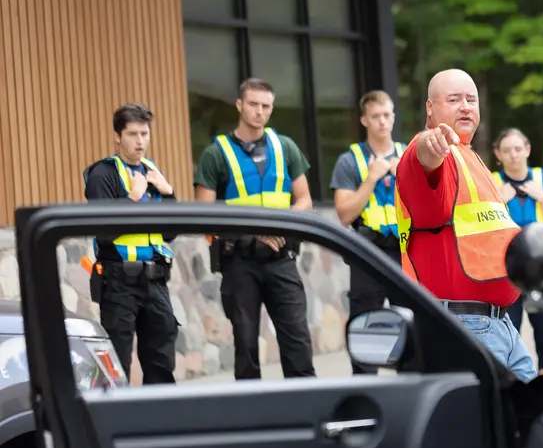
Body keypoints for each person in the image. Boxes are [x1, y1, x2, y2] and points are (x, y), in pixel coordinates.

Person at [395, 69, 536, 382]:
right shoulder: (434, 151)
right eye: (454, 99)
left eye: (471, 99)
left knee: (528, 416)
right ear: (430, 107)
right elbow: (423, 160)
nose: (465, 106)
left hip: (498, 326)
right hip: (464, 323)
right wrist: (428, 145)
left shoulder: (468, 156)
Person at [193, 77, 316, 380]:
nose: (260, 112)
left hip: (281, 259)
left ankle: (307, 411)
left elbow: (305, 201)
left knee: (297, 340)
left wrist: (280, 227)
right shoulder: (216, 153)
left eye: (266, 106)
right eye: (253, 104)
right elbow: (203, 216)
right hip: (239, 263)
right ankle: (252, 416)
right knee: (245, 346)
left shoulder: (285, 146)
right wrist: (256, 231)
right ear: (239, 105)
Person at [82, 103, 179, 384]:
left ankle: (160, 421)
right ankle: (117, 423)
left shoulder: (153, 173)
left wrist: (169, 193)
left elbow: (171, 232)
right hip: (118, 280)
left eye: (144, 134)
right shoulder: (103, 175)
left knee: (161, 359)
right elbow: (103, 231)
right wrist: (133, 199)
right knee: (117, 362)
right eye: (133, 134)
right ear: (118, 136)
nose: (140, 141)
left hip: (155, 279)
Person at [330, 90, 406, 375]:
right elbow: (345, 213)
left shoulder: (410, 156)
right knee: (365, 325)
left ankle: (411, 385)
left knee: (413, 321)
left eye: (387, 115)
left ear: (394, 116)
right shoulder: (350, 160)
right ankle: (365, 385)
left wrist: (406, 178)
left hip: (406, 251)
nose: (383, 122)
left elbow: (432, 206)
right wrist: (372, 178)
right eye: (376, 116)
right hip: (368, 253)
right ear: (364, 119)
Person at [491, 127, 543, 368]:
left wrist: (542, 198)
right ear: (498, 154)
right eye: (507, 150)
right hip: (506, 271)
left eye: (517, 149)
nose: (513, 155)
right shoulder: (490, 184)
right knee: (507, 335)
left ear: (527, 149)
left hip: (541, 272)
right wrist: (498, 201)